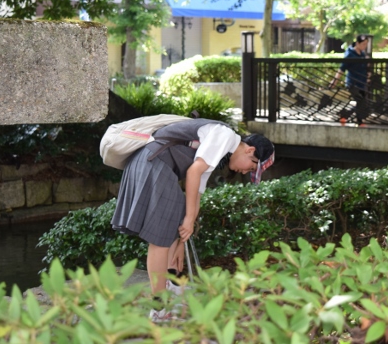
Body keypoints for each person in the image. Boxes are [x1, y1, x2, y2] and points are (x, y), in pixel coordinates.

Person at [111, 118, 275, 322]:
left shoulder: (219, 149)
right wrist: (188, 219)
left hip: (151, 162)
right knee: (160, 239)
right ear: (250, 150)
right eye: (251, 167)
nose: (245, 172)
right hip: (154, 162)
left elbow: (196, 192)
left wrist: (183, 238)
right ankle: (160, 308)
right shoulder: (225, 136)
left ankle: (170, 287)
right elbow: (193, 172)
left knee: (176, 214)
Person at [329, 34, 369, 126]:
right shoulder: (350, 54)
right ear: (357, 43)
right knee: (360, 101)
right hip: (353, 83)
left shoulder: (362, 54)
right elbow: (341, 69)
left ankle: (346, 116)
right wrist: (335, 81)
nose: (365, 46)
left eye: (366, 44)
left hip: (362, 83)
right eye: (363, 44)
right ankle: (358, 121)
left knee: (361, 102)